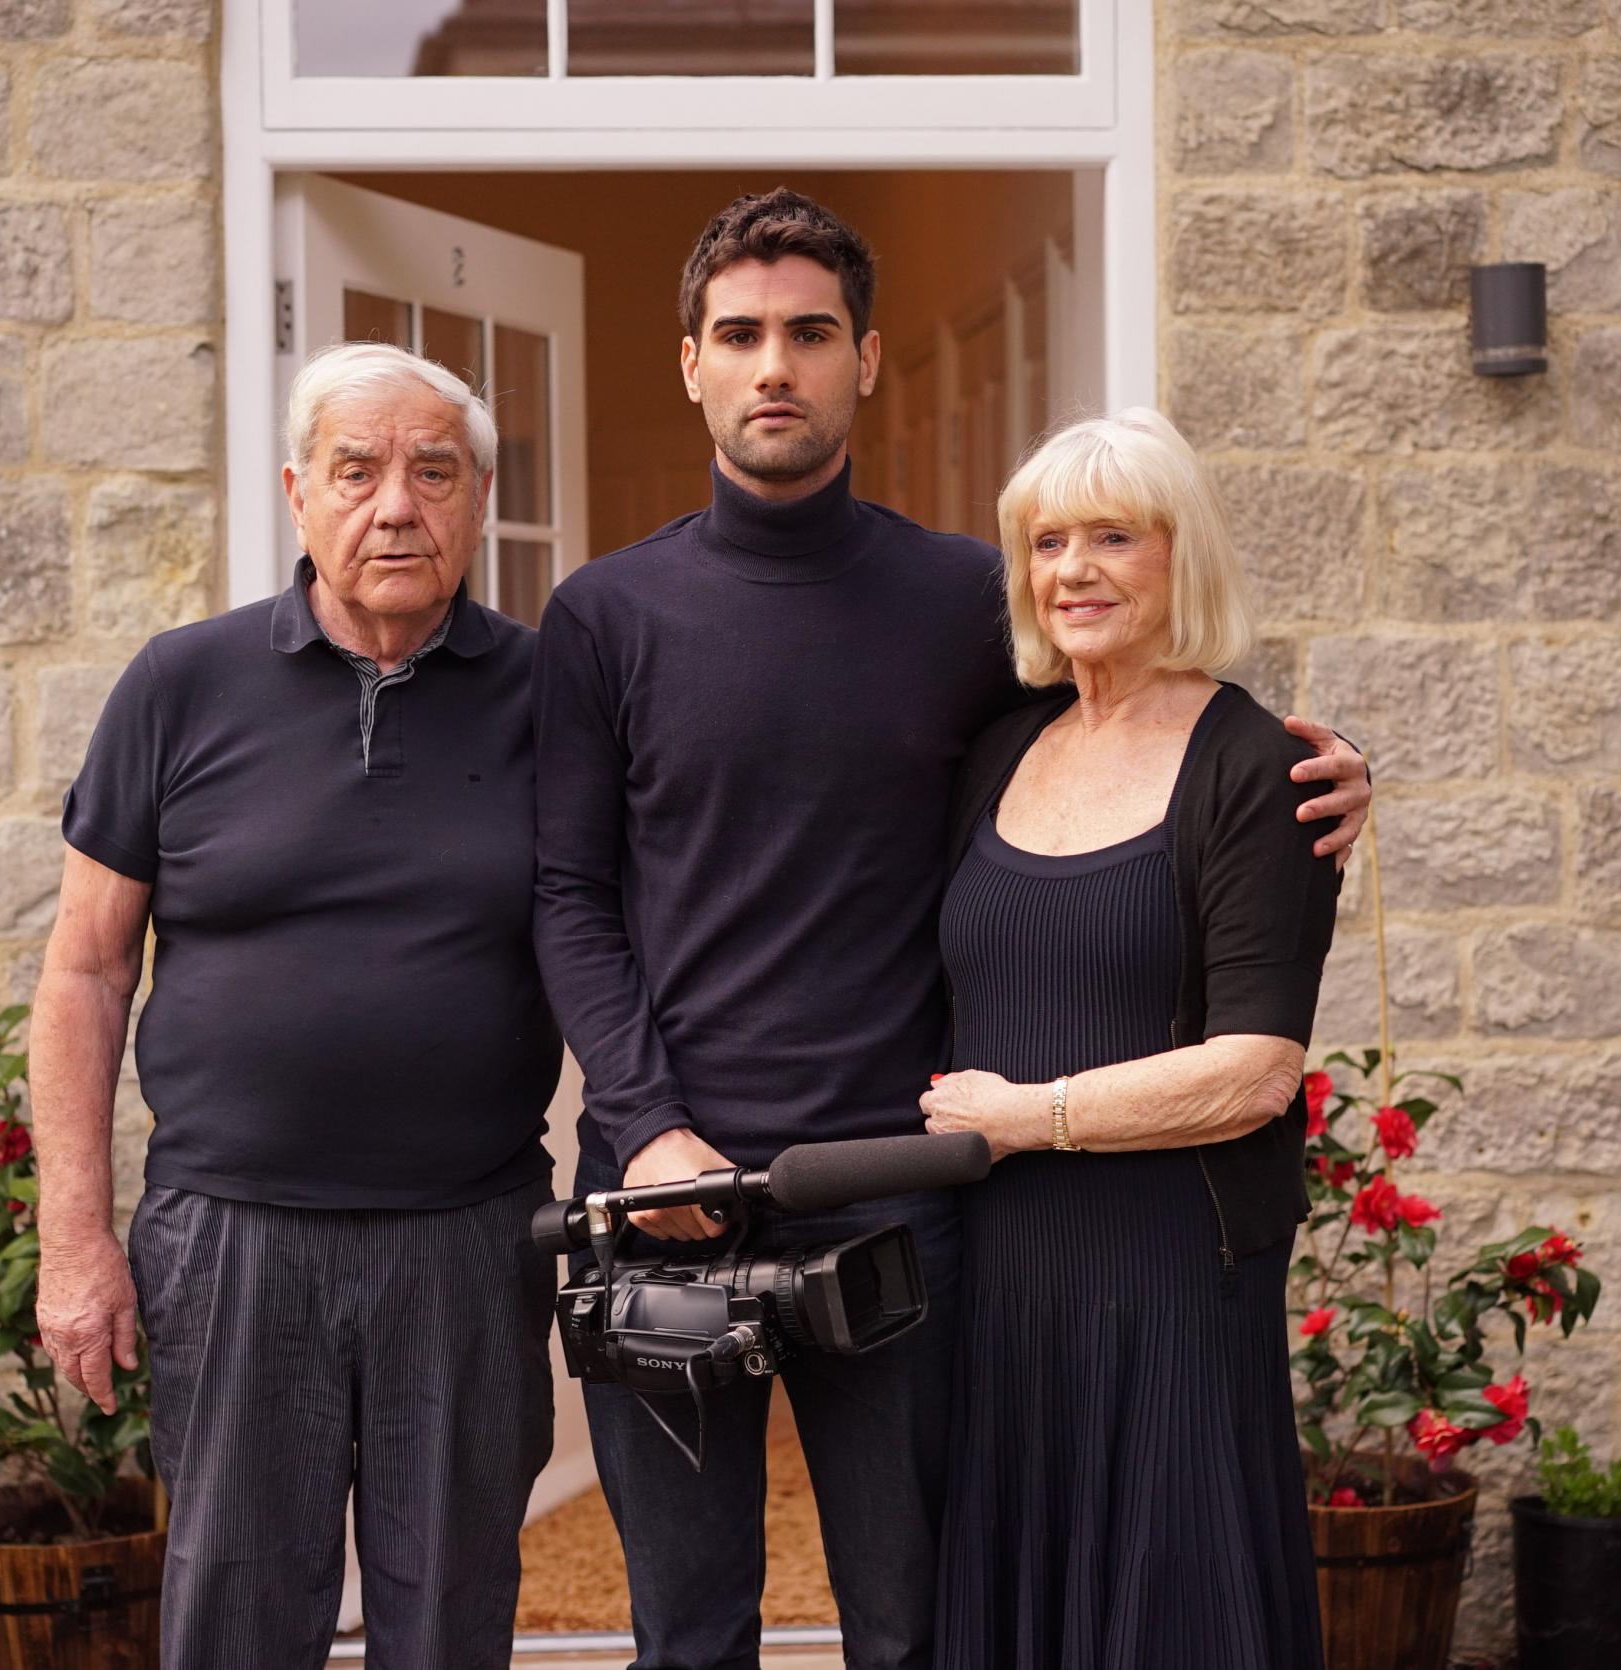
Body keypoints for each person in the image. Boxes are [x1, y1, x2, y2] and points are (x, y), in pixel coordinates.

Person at [531, 188, 1371, 1670]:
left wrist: (1323, 774)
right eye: (739, 335)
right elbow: (570, 895)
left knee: (917, 1629)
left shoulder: (960, 604)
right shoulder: (606, 613)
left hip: (902, 1192)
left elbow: (1139, 743)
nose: (773, 364)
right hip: (668, 1189)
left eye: (809, 332)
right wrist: (646, 1124)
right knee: (685, 1632)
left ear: (867, 361)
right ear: (691, 365)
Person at [32, 342, 559, 1669]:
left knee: (449, 1616)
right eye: (358, 470)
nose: (398, 504)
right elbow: (86, 968)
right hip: (233, 1236)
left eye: (435, 472)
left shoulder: (553, 694)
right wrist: (75, 1240)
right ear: (297, 492)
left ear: (479, 500)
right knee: (235, 1618)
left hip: (466, 1238)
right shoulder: (181, 683)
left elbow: (623, 939)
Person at [921, 408, 1339, 1670]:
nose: (1074, 569)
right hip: (1002, 1267)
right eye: (1048, 541)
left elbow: (1257, 1068)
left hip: (1169, 1265)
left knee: (1170, 1602)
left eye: (1115, 535)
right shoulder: (1003, 745)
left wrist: (1026, 1115)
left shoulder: (1253, 767)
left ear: (1183, 558)